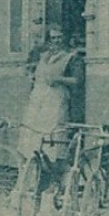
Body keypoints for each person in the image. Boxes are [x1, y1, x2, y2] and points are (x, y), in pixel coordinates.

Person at [23, 25, 82, 183]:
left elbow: (76, 80)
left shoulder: (70, 57)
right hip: (37, 102)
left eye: (59, 38)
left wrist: (59, 79)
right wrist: (31, 76)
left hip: (55, 101)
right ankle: (32, 179)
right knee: (33, 139)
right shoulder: (42, 57)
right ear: (48, 40)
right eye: (53, 38)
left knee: (53, 140)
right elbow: (30, 71)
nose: (57, 41)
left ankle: (53, 180)